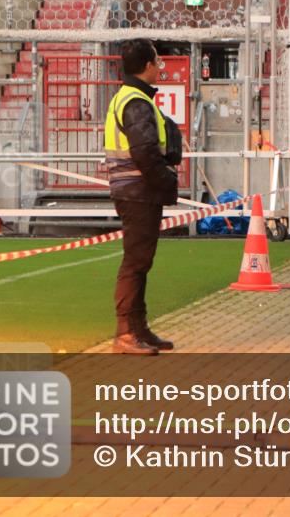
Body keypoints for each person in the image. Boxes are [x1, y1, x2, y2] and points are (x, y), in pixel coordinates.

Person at [104, 39, 178, 355]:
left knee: (140, 262)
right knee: (135, 263)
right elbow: (145, 151)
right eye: (158, 62)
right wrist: (166, 182)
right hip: (138, 190)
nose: (160, 68)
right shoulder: (135, 101)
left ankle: (138, 328)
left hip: (135, 189)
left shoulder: (129, 97)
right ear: (148, 65)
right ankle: (126, 333)